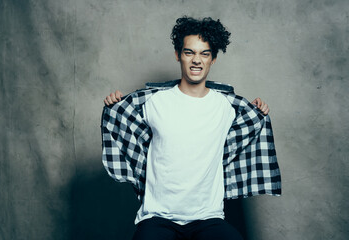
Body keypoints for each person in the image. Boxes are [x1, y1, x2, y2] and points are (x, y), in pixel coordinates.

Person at [101, 17, 281, 240]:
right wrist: (115, 105)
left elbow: (248, 128)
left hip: (208, 218)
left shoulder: (227, 108)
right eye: (189, 52)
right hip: (158, 218)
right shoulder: (153, 102)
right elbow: (124, 120)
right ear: (178, 55)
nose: (197, 60)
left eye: (204, 53)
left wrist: (258, 112)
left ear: (213, 59)